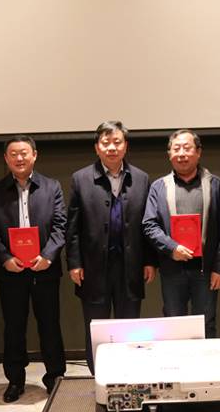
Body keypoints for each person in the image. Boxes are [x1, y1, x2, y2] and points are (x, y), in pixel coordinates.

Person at [66, 121, 156, 373]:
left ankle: (129, 374)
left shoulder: (141, 179)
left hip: (131, 267)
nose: (112, 148)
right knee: (96, 328)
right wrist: (74, 263)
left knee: (129, 327)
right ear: (97, 147)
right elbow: (73, 227)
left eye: (117, 142)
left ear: (125, 146)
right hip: (93, 267)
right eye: (105, 143)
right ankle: (98, 375)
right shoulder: (81, 179)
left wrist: (150, 261)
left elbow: (148, 224)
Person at [0, 135, 67, 401]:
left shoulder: (52, 187)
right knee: (13, 327)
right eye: (13, 154)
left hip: (45, 269)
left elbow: (60, 226)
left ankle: (55, 378)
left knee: (50, 326)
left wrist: (48, 256)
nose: (19, 158)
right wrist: (5, 258)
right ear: (6, 158)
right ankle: (15, 380)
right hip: (11, 270)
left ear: (34, 155)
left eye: (24, 153)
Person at [142, 129, 220, 338]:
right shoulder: (159, 187)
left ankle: (205, 361)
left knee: (206, 323)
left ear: (198, 152)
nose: (181, 154)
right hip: (172, 268)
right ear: (169, 154)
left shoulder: (216, 185)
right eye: (176, 149)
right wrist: (172, 248)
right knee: (174, 324)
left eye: (187, 148)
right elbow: (149, 225)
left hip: (206, 270)